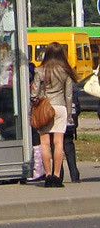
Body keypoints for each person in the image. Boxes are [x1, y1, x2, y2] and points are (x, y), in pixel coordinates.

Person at [31, 41, 75, 188]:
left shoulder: (40, 70)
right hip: (61, 107)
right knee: (58, 143)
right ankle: (57, 176)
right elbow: (69, 95)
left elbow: (34, 94)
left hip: (45, 108)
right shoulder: (66, 71)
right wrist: (69, 114)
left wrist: (35, 107)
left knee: (44, 143)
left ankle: (48, 175)